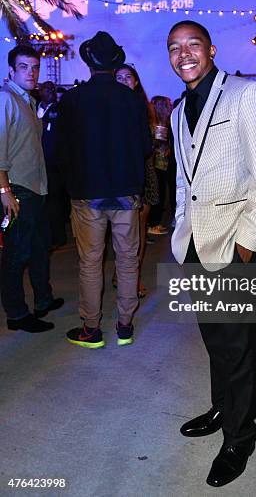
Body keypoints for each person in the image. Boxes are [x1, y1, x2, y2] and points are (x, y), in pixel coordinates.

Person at [167, 20, 256, 487]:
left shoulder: (245, 96)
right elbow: (183, 180)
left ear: (211, 49)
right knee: (215, 339)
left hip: (234, 242)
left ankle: (240, 436)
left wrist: (248, 244)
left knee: (237, 345)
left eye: (193, 44)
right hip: (194, 241)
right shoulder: (176, 112)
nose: (184, 53)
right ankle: (222, 407)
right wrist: (178, 225)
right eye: (174, 48)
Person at [57, 32, 151, 348]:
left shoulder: (72, 100)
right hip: (126, 193)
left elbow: (61, 151)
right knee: (127, 260)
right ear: (114, 63)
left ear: (89, 62)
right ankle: (125, 326)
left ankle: (92, 329)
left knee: (90, 261)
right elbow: (146, 147)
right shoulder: (132, 99)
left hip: (87, 193)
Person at [0, 45, 64, 333]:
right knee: (16, 255)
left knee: (39, 249)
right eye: (24, 67)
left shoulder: (27, 100)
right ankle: (16, 314)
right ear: (11, 70)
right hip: (17, 189)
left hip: (35, 189)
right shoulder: (6, 99)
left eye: (35, 67)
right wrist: (5, 192)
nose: (31, 72)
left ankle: (43, 300)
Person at [114, 63, 159, 297]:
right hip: (117, 175)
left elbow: (150, 142)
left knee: (138, 230)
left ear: (136, 81)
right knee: (119, 230)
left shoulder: (143, 107)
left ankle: (135, 278)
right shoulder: (109, 108)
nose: (123, 80)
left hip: (143, 173)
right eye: (118, 77)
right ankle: (119, 273)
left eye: (127, 77)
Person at [37, 81, 67, 247]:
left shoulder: (59, 110)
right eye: (46, 89)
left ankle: (58, 236)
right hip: (37, 162)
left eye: (52, 89)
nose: (50, 92)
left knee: (54, 200)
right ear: (40, 91)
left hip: (54, 163)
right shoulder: (35, 107)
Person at [147, 95, 173, 235]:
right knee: (159, 193)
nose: (170, 106)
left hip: (159, 162)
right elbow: (159, 143)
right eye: (168, 104)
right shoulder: (159, 124)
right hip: (158, 163)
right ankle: (153, 224)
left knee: (160, 193)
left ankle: (154, 223)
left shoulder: (158, 122)